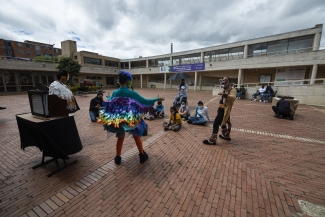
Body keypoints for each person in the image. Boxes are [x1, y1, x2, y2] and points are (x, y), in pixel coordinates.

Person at [98, 70, 165, 165]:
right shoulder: (131, 93)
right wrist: (156, 99)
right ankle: (142, 155)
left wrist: (109, 99)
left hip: (119, 119)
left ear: (119, 81)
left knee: (120, 137)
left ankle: (118, 157)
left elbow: (110, 103)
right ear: (127, 81)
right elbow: (145, 101)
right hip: (130, 119)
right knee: (136, 135)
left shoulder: (115, 92)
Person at [203, 77, 236, 145]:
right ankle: (226, 135)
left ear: (229, 82)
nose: (223, 83)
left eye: (225, 81)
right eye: (223, 81)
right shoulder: (225, 88)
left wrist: (226, 95)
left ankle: (213, 139)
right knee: (223, 122)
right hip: (221, 108)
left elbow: (233, 97)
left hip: (224, 109)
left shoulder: (232, 89)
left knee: (216, 123)